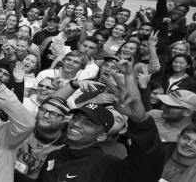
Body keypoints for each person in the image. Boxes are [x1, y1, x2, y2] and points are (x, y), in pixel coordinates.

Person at [36, 61, 164, 182]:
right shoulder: (54, 155)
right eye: (76, 118)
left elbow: (147, 172)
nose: (77, 124)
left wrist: (141, 122)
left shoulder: (108, 165)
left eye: (88, 123)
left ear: (102, 136)